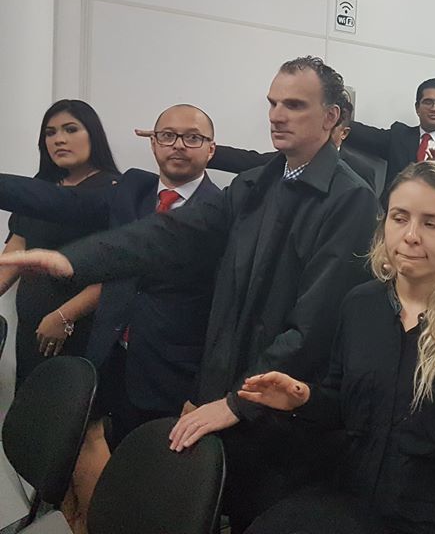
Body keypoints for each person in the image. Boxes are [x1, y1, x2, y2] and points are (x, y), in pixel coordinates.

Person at [0, 57, 380, 530]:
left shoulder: (351, 198)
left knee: (254, 516)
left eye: (295, 105)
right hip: (227, 398)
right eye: (273, 103)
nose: (277, 115)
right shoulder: (254, 184)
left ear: (331, 117)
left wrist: (236, 401)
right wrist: (75, 261)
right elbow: (169, 234)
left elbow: (312, 327)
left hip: (280, 418)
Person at [237, 162, 435, 534]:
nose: (411, 236)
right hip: (353, 504)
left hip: (432, 521)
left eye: (432, 224)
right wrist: (303, 399)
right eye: (400, 218)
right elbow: (344, 407)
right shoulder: (360, 305)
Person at [0, 104, 221, 532]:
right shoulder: (132, 190)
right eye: (167, 135)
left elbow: (225, 308)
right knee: (112, 470)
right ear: (153, 143)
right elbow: (57, 200)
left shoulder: (222, 209)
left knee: (163, 488)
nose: (178, 145)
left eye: (192, 137)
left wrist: (208, 389)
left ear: (211, 149)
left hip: (174, 372)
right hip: (111, 355)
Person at [0, 100, 119, 388]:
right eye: (50, 133)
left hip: (81, 326)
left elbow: (118, 269)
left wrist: (64, 316)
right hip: (32, 327)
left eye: (70, 129)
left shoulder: (115, 192)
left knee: (73, 406)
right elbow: (16, 251)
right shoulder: (39, 188)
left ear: (93, 135)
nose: (59, 139)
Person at [199, 95, 377, 189]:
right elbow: (247, 160)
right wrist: (202, 151)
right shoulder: (286, 161)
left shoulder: (360, 172)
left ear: (343, 132)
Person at [346, 78, 435, 203]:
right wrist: (339, 121)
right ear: (417, 108)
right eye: (428, 102)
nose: (434, 108)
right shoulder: (399, 136)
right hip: (393, 212)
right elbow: (365, 135)